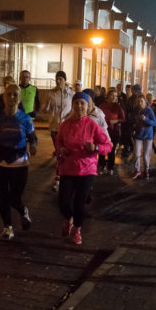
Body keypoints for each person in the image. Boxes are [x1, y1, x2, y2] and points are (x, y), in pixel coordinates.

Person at [0, 84, 37, 240]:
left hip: (19, 163)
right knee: (2, 196)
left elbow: (33, 138)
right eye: (8, 94)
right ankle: (7, 227)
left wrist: (34, 146)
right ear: (3, 97)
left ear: (19, 98)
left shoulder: (26, 119)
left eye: (15, 94)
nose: (11, 97)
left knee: (15, 198)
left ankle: (23, 211)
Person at [56, 92, 112, 245]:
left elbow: (108, 145)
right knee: (63, 203)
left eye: (82, 103)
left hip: (86, 170)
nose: (79, 106)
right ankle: (68, 219)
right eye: (76, 103)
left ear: (87, 107)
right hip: (67, 168)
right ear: (72, 105)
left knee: (79, 204)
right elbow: (59, 141)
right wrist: (61, 149)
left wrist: (95, 148)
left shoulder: (92, 125)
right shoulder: (65, 125)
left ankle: (77, 230)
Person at [41, 70, 74, 190]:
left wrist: (67, 118)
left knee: (62, 151)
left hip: (66, 127)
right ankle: (61, 172)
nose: (58, 81)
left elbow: (73, 109)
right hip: (54, 126)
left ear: (65, 80)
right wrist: (45, 108)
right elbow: (44, 108)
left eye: (61, 79)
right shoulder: (51, 93)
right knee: (58, 149)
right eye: (57, 79)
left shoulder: (71, 93)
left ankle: (59, 177)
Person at [98, 89, 125, 175]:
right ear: (108, 96)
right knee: (102, 150)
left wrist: (116, 121)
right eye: (112, 95)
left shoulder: (118, 107)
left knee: (111, 150)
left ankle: (110, 167)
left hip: (114, 132)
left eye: (116, 96)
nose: (114, 97)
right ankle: (101, 165)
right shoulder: (102, 106)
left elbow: (123, 119)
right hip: (103, 131)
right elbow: (98, 117)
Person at [132, 94, 156, 179]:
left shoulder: (149, 110)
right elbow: (134, 121)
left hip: (148, 136)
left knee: (146, 155)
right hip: (138, 135)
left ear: (145, 101)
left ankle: (146, 171)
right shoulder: (136, 110)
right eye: (138, 101)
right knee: (136, 154)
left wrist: (145, 119)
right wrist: (134, 126)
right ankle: (137, 170)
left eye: (141, 101)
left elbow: (154, 123)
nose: (140, 103)